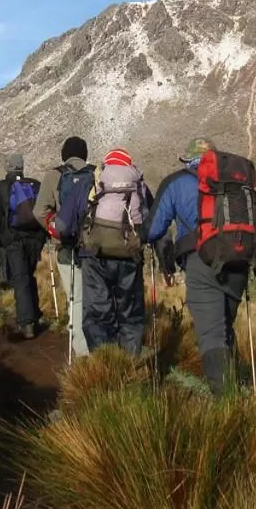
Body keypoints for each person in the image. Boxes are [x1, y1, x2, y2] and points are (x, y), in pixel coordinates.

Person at [141, 137, 256, 394]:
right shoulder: (235, 184)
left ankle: (227, 407)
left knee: (212, 334)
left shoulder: (177, 182)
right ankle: (236, 390)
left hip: (202, 263)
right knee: (224, 326)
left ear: (188, 160)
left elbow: (152, 230)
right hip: (238, 264)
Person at [78, 148, 150, 355]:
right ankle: (129, 364)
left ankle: (104, 363)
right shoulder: (139, 185)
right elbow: (149, 220)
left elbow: (68, 220)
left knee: (97, 312)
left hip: (95, 256)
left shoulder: (92, 181)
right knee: (130, 314)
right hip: (129, 255)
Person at [32, 136, 95, 359]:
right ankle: (101, 346)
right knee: (95, 297)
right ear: (85, 154)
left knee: (75, 299)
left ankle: (82, 352)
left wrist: (55, 228)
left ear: (64, 154)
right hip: (94, 249)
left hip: (66, 248)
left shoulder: (54, 176)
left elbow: (39, 211)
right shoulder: (96, 174)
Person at [0, 153, 46, 339]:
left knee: (20, 277)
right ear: (22, 167)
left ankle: (27, 323)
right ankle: (34, 314)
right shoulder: (36, 184)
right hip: (36, 239)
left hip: (14, 239)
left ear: (8, 167)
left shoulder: (2, 187)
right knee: (29, 274)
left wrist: (2, 233)